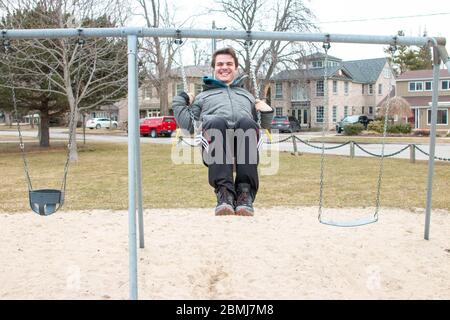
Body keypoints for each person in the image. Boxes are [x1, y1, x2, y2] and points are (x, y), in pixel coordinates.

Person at [172, 47, 274, 216]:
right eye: (220, 64)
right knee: (215, 121)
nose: (224, 67)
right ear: (214, 68)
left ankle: (244, 194)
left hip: (243, 143)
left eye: (229, 63)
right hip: (215, 141)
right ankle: (224, 194)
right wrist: (181, 99)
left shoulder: (247, 95)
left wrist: (266, 110)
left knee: (247, 123)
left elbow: (262, 124)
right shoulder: (203, 97)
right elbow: (187, 125)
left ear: (236, 68)